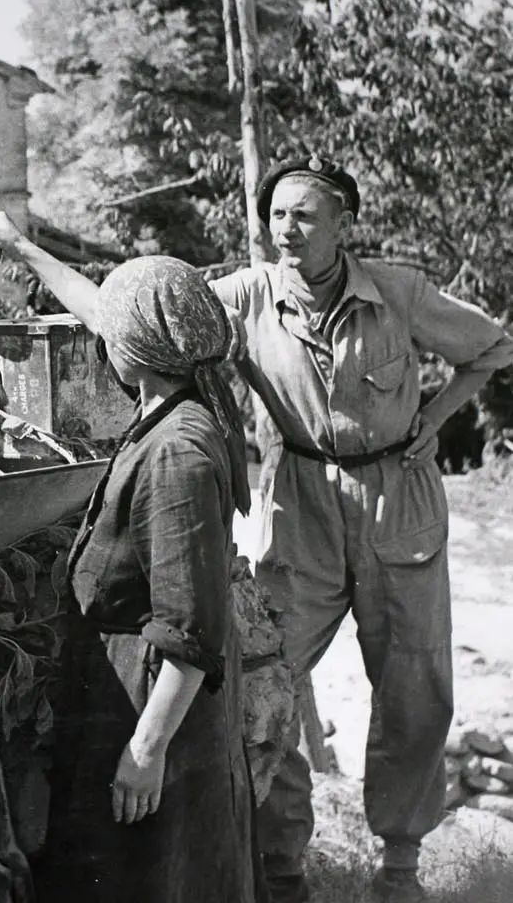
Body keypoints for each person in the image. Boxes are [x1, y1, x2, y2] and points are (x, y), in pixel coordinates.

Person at [204, 157, 513, 903]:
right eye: (275, 214)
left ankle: (399, 869)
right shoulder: (245, 295)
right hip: (297, 505)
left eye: (304, 216)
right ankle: (281, 870)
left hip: (397, 503)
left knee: (413, 691)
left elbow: (492, 347)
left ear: (344, 225)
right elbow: (158, 319)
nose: (286, 230)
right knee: (263, 684)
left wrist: (434, 420)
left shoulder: (396, 290)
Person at [0, 212, 262, 902]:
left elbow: (190, 630)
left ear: (138, 345)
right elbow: (105, 310)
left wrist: (144, 749)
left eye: (115, 330)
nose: (103, 336)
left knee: (147, 874)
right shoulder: (178, 396)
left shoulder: (177, 452)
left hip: (152, 699)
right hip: (132, 691)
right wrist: (20, 249)